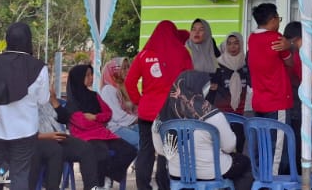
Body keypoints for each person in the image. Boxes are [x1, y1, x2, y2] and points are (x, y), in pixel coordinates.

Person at [0, 22, 52, 190]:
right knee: (20, 174)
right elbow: (43, 100)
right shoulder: (38, 67)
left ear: (7, 39)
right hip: (25, 130)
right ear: (29, 40)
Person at [153, 70, 252, 190]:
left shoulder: (162, 116)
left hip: (178, 172)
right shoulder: (212, 114)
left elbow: (160, 150)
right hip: (212, 171)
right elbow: (229, 146)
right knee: (245, 163)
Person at [127, 21, 192, 190]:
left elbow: (129, 82)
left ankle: (143, 186)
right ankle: (164, 186)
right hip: (170, 112)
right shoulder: (182, 52)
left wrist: (139, 101)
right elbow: (189, 82)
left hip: (147, 112)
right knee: (167, 152)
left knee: (146, 150)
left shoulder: (143, 55)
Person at [67, 64, 137, 190]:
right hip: (85, 137)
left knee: (130, 150)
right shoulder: (72, 103)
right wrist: (99, 120)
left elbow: (108, 114)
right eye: (87, 75)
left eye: (91, 74)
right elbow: (82, 123)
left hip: (103, 134)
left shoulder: (95, 96)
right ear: (79, 78)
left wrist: (95, 117)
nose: (91, 78)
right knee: (101, 154)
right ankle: (98, 185)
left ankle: (108, 176)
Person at [247, 4, 294, 172]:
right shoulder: (276, 38)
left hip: (259, 100)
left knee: (263, 143)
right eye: (278, 19)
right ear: (273, 19)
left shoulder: (252, 38)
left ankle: (261, 176)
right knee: (278, 147)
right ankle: (273, 180)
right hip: (277, 99)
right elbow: (289, 61)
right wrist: (289, 46)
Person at [281, 21, 306, 172]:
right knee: (297, 140)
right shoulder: (296, 53)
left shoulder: (283, 52)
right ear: (297, 38)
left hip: (285, 102)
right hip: (297, 103)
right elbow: (304, 78)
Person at [99, 59, 140, 148]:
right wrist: (139, 119)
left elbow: (136, 106)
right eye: (124, 68)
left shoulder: (122, 87)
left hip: (127, 124)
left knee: (148, 134)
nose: (128, 70)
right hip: (114, 127)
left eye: (128, 67)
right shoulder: (108, 89)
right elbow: (117, 116)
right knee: (141, 140)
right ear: (114, 71)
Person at [216, 33, 249, 114]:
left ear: (241, 44)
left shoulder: (247, 63)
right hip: (222, 111)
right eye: (229, 44)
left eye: (236, 43)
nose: (232, 47)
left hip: (243, 110)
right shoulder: (217, 64)